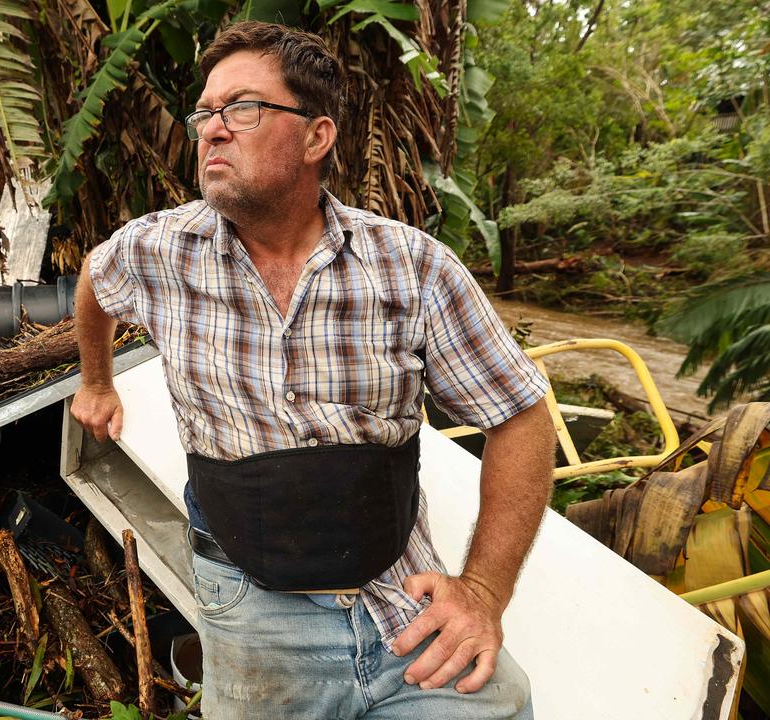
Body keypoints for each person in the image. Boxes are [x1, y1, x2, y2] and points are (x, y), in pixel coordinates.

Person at [70, 21, 556, 720]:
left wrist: (482, 592)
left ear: (315, 136)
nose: (212, 129)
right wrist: (96, 381)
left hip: (402, 599)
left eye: (242, 108)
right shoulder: (158, 252)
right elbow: (94, 280)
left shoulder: (413, 269)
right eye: (205, 112)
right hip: (250, 616)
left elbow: (520, 415)